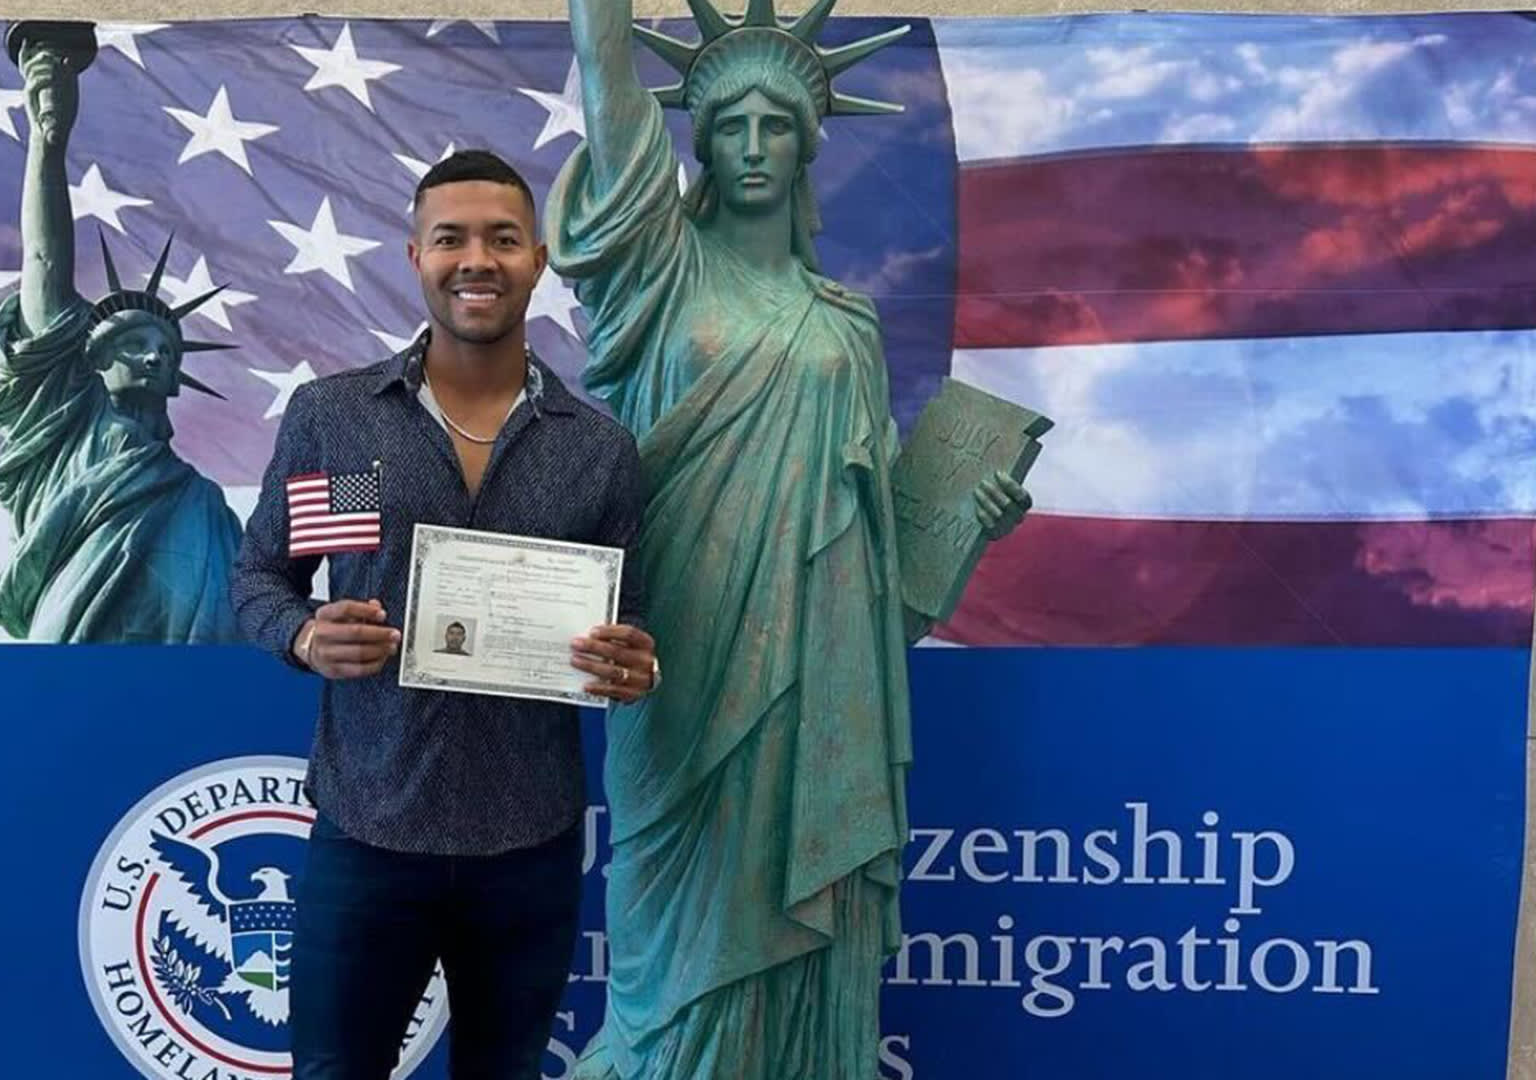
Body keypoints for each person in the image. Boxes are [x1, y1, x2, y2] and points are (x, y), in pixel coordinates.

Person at [547, 2, 1032, 1077]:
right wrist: (602, 26)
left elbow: (870, 581)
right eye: (731, 126)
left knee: (806, 961)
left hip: (822, 689)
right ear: (701, 144)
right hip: (680, 661)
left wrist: (966, 534)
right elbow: (612, 104)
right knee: (669, 960)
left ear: (809, 142)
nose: (755, 146)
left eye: (777, 126)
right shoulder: (656, 279)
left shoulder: (845, 324)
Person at [230, 149, 659, 1080]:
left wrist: (636, 667)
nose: (478, 260)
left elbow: (633, 628)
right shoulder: (339, 421)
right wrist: (304, 634)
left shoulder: (599, 452)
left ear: (538, 261)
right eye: (452, 239)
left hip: (530, 847)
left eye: (503, 239)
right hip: (369, 831)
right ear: (415, 255)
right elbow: (261, 577)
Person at [0, 24, 244, 643]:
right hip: (76, 649)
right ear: (92, 359)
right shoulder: (64, 426)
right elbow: (44, 263)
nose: (154, 354)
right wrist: (48, 144)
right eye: (134, 342)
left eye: (166, 349)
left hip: (190, 701)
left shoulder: (205, 506)